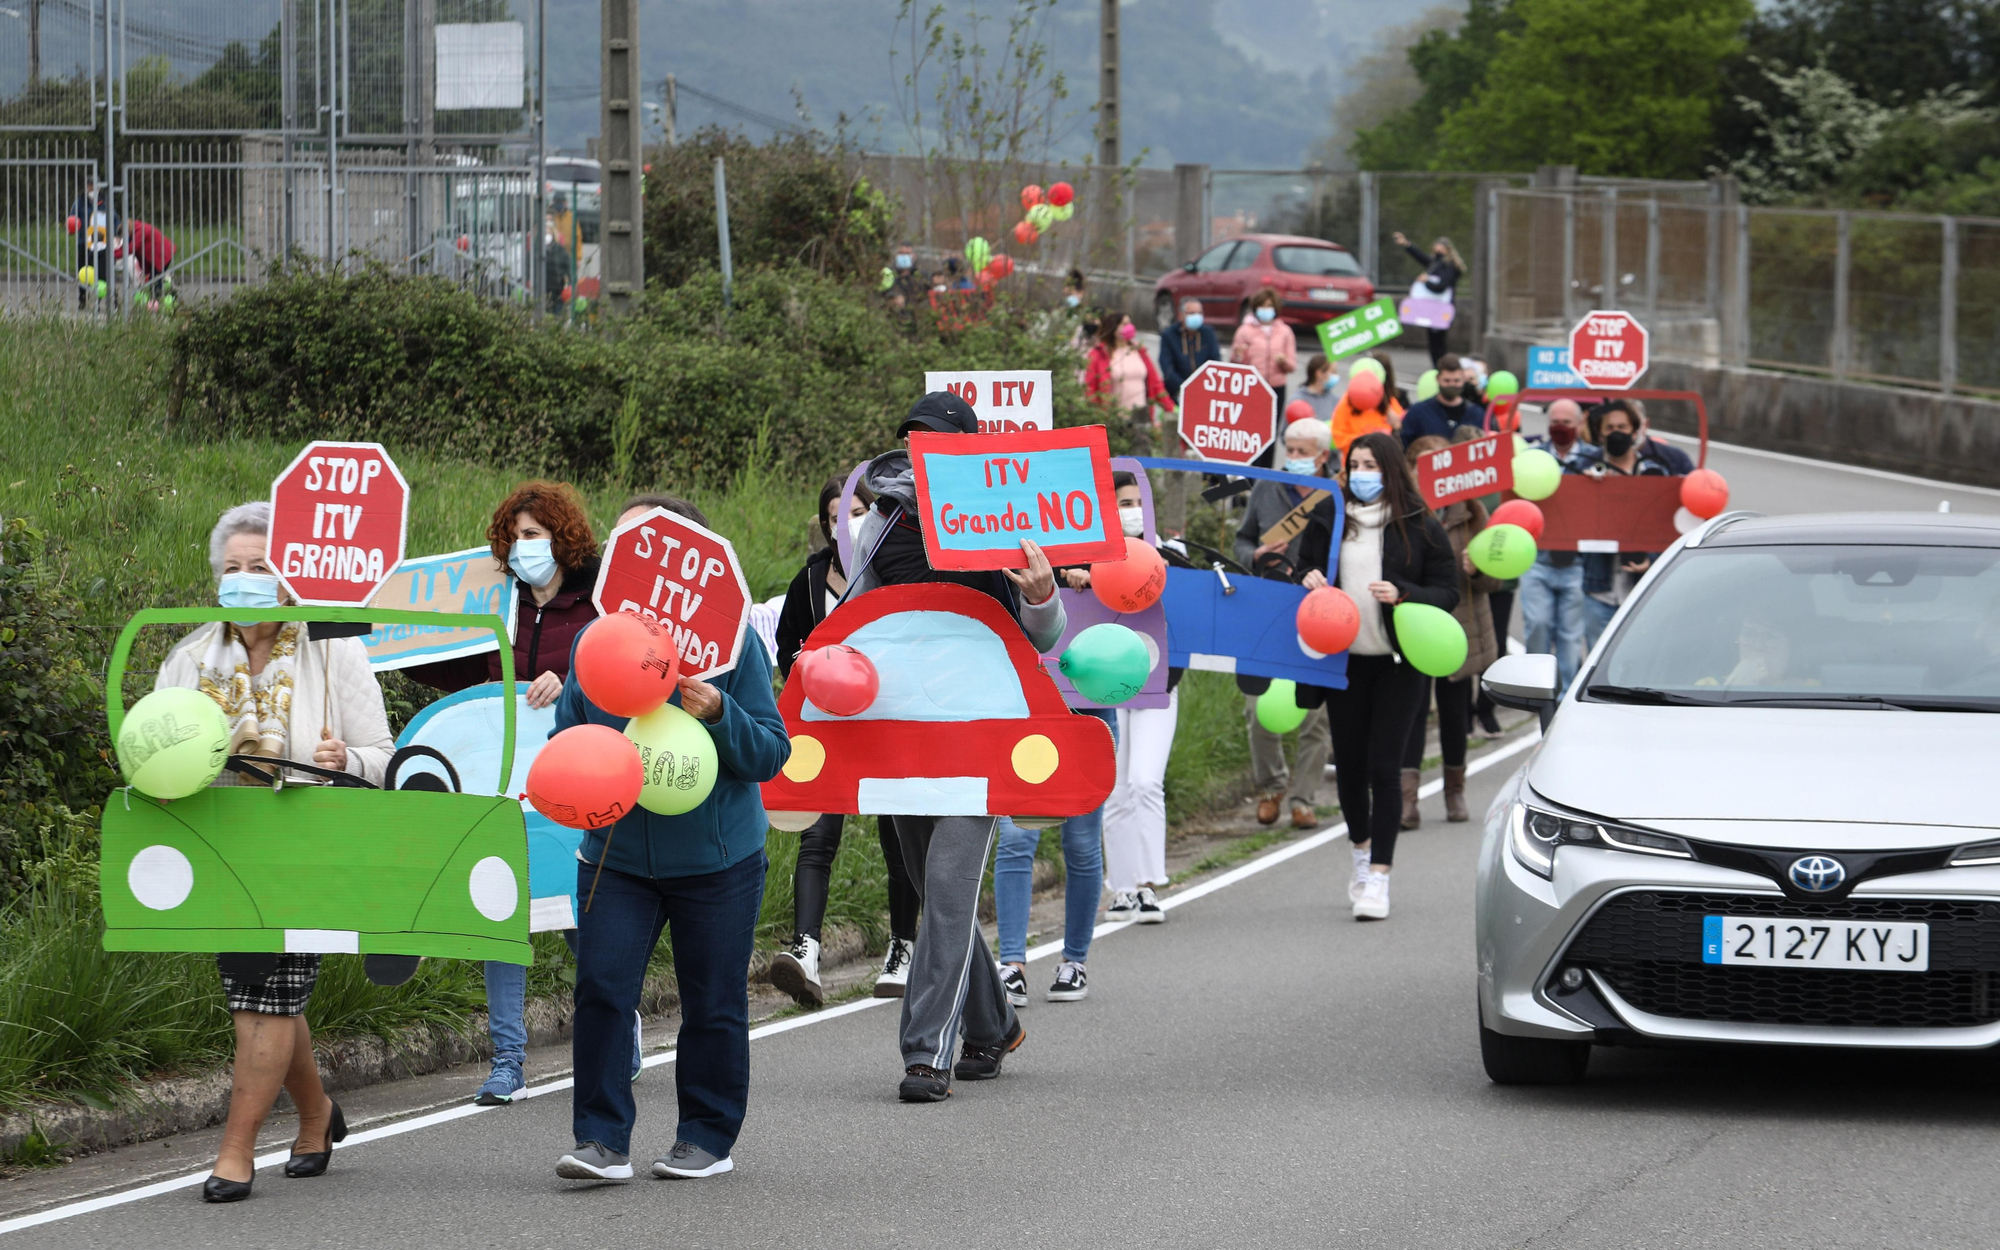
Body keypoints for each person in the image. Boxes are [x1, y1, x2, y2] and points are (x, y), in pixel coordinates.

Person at [159, 503, 394, 1202]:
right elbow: (152, 752)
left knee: (260, 996)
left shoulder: (332, 649)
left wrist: (341, 755)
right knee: (265, 993)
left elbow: (384, 756)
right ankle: (317, 1116)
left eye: (259, 567)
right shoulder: (189, 658)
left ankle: (235, 1153)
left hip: (307, 845)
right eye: (232, 569)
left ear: (288, 577)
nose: (244, 580)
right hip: (224, 849)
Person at [555, 494, 791, 1184]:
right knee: (601, 989)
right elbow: (569, 737)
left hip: (719, 861)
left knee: (714, 999)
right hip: (617, 860)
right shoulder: (593, 642)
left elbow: (770, 753)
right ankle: (600, 1140)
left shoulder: (735, 642)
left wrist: (717, 711)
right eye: (624, 543)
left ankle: (706, 1137)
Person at [844, 391, 1066, 1103]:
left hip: (982, 732)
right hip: (903, 732)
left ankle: (925, 1054)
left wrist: (1039, 594)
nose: (919, 450)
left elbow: (1044, 634)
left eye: (935, 438)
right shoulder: (880, 523)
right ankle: (995, 1025)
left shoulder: (1007, 522)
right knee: (932, 888)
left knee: (946, 886)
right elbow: (860, 616)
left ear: (969, 446)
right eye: (910, 437)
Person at [404, 481, 611, 1107]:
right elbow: (452, 665)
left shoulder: (598, 606)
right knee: (501, 914)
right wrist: (397, 639)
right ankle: (508, 1061)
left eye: (533, 535)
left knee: (580, 919)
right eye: (514, 537)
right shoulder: (497, 606)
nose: (522, 548)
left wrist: (571, 677)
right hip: (501, 789)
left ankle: (615, 1032)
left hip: (574, 783)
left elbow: (621, 672)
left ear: (562, 537)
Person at [768, 476, 920, 1006]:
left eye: (856, 511)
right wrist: (806, 670)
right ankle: (805, 948)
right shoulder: (808, 581)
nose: (847, 523)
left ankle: (903, 947)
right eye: (836, 514)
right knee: (817, 835)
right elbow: (786, 646)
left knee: (899, 840)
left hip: (886, 725)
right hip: (827, 728)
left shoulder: (896, 573)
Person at [1294, 433, 1458, 921]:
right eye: (1355, 464)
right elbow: (1297, 565)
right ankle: (1361, 854)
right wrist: (1304, 576)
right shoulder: (1330, 516)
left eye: (1371, 464)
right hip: (1344, 663)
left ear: (1390, 470)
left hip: (1397, 664)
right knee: (1349, 766)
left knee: (1385, 768)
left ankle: (1381, 877)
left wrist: (1405, 592)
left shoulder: (1419, 524)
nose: (1362, 473)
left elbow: (1448, 589)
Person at [1234, 417, 1336, 829]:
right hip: (1266, 608)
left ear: (1322, 456)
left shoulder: (1337, 496)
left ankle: (1304, 799)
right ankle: (1271, 785)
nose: (1292, 458)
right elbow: (1241, 541)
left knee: (1315, 715)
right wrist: (1255, 555)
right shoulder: (1265, 488)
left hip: (1320, 612)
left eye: (1301, 452)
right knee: (1257, 708)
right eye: (1289, 450)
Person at [1399, 432, 1504, 825]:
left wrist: (1478, 570)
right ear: (1409, 471)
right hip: (1414, 624)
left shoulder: (1472, 513)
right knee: (1411, 711)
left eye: (1441, 463)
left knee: (1455, 710)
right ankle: (1408, 798)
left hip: (1459, 624)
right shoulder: (1400, 513)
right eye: (1422, 465)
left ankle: (1454, 792)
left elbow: (1497, 580)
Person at [1101, 472, 1181, 923]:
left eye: (1135, 501)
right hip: (1107, 685)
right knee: (1115, 788)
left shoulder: (1173, 556)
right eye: (1120, 502)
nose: (1129, 509)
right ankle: (1123, 888)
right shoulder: (1091, 559)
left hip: (1158, 686)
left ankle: (1149, 885)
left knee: (1145, 782)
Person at [1575, 400, 1676, 650]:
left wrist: (1651, 561)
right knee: (1597, 663)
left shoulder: (1655, 473)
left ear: (1635, 431)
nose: (1616, 432)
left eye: (1622, 426)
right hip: (1600, 589)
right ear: (1600, 432)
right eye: (1610, 427)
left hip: (1642, 593)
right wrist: (1586, 488)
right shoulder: (1585, 471)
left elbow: (1668, 530)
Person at [1517, 399, 1598, 696]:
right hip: (1537, 558)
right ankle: (1536, 687)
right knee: (1537, 624)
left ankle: (1564, 695)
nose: (1559, 428)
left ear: (1579, 425)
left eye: (1566, 422)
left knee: (1570, 634)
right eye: (1554, 422)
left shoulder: (1595, 460)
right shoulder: (1531, 457)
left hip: (1577, 562)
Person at [1084, 312, 1176, 455]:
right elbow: (1090, 388)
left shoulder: (1138, 351)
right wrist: (1099, 416)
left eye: (1130, 323)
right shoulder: (1099, 354)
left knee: (1140, 460)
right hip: (1114, 420)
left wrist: (1171, 409)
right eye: (1125, 324)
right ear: (1114, 328)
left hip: (1141, 418)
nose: (1130, 327)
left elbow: (1155, 384)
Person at [1392, 231, 1464, 365]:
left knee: (1439, 342)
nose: (1438, 250)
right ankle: (1437, 366)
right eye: (1436, 247)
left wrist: (1426, 281)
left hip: (1442, 309)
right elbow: (1421, 257)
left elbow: (1441, 286)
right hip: (1431, 308)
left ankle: (1442, 367)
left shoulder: (1450, 266)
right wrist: (1407, 245)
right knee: (1433, 341)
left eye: (1442, 248)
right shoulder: (1436, 264)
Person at [1230, 287, 1298, 411]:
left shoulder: (1285, 331)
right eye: (1262, 306)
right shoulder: (1244, 330)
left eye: (1269, 306)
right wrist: (1238, 355)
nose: (1265, 309)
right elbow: (1235, 364)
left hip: (1276, 387)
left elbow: (1292, 366)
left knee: (1273, 425)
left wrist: (1284, 361)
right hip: (1252, 386)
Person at [1399, 354, 1486, 446]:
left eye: (1456, 381)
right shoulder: (1418, 412)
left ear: (1463, 379)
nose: (1452, 385)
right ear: (1438, 379)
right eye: (1447, 381)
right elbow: (1406, 445)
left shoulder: (1476, 414)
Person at [1331, 351, 1404, 456]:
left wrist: (1398, 426)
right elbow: (1339, 437)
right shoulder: (1347, 403)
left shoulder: (1390, 403)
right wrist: (1368, 441)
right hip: (1355, 463)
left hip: (1385, 463)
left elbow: (1402, 440)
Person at [1157, 295, 1221, 400]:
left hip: (1205, 392)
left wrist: (1201, 387)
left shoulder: (1208, 333)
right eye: (1192, 313)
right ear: (1180, 315)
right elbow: (1167, 366)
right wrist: (1184, 387)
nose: (1196, 316)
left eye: (1199, 313)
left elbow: (1216, 361)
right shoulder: (1169, 335)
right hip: (1176, 393)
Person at [1296, 355, 1340, 423]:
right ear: (1319, 374)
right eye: (1333, 372)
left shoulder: (1335, 400)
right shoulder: (1298, 400)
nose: (1336, 376)